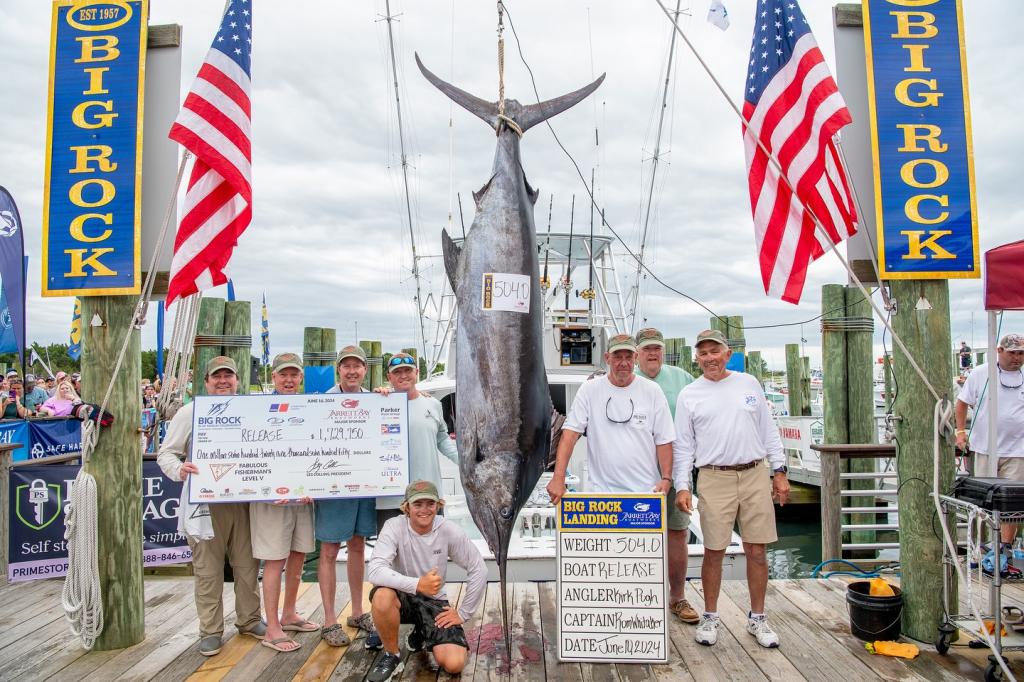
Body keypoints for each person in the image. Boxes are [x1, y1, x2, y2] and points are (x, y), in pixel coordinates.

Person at [673, 329, 789, 649]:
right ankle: (711, 616)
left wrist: (779, 472)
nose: (709, 358)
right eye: (703, 353)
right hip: (713, 476)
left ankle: (758, 618)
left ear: (728, 354)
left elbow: (769, 431)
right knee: (714, 550)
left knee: (757, 549)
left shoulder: (749, 383)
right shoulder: (690, 394)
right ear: (697, 358)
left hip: (755, 473)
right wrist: (683, 486)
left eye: (715, 351)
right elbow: (684, 446)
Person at [156, 356, 265, 656]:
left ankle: (250, 619)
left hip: (243, 501)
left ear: (237, 381)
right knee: (208, 570)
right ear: (205, 382)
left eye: (228, 376)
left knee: (247, 566)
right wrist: (180, 470)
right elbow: (166, 453)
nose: (223, 381)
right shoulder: (190, 412)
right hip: (204, 503)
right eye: (216, 376)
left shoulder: (251, 411)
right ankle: (210, 630)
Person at [364, 352, 460, 651]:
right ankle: (385, 626)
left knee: (430, 562)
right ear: (388, 378)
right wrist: (378, 396)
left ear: (416, 372)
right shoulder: (379, 402)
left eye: (408, 370)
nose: (403, 376)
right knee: (390, 564)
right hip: (391, 497)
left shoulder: (432, 404)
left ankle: (423, 623)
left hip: (428, 498)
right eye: (397, 373)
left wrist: (467, 463)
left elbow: (443, 440)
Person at [365, 480, 486, 681]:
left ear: (438, 506)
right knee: (382, 596)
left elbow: (478, 568)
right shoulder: (393, 526)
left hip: (433, 600)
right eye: (417, 504)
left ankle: (421, 632)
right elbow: (375, 571)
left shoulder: (448, 529)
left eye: (430, 504)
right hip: (402, 596)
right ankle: (392, 655)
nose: (424, 510)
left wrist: (463, 613)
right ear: (407, 507)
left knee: (454, 664)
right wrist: (417, 584)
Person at [547, 332, 675, 513]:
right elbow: (570, 434)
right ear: (607, 358)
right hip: (601, 496)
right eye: (617, 356)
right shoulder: (589, 390)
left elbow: (664, 439)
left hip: (646, 494)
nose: (623, 362)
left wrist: (666, 478)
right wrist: (558, 477)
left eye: (628, 356)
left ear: (636, 358)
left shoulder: (652, 391)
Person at [250, 353, 318, 652]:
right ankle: (272, 627)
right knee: (274, 562)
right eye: (283, 375)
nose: (289, 380)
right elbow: (247, 453)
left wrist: (318, 485)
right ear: (273, 377)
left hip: (302, 498)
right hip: (271, 500)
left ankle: (289, 613)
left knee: (298, 555)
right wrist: (264, 489)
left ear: (300, 378)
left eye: (294, 375)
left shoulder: (311, 408)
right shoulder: (255, 409)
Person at [633, 327, 699, 624]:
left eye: (656, 348)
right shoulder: (622, 379)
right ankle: (635, 597)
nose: (652, 354)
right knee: (634, 537)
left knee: (677, 533)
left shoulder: (682, 379)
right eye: (646, 349)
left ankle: (677, 597)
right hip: (634, 474)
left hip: (676, 472)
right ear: (636, 354)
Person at [316, 345, 380, 647]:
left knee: (357, 546)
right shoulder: (322, 401)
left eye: (357, 366)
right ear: (337, 370)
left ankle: (356, 612)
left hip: (364, 486)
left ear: (365, 370)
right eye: (346, 366)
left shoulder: (375, 400)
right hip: (332, 488)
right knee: (328, 551)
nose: (352, 371)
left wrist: (386, 399)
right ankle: (329, 621)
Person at [956, 333, 1024, 574]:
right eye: (1012, 352)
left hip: (1018, 450)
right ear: (999, 351)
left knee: (1013, 505)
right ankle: (981, 547)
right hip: (985, 447)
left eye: (1021, 353)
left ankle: (1003, 549)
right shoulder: (981, 373)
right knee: (982, 502)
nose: (1017, 357)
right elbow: (962, 402)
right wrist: (961, 430)